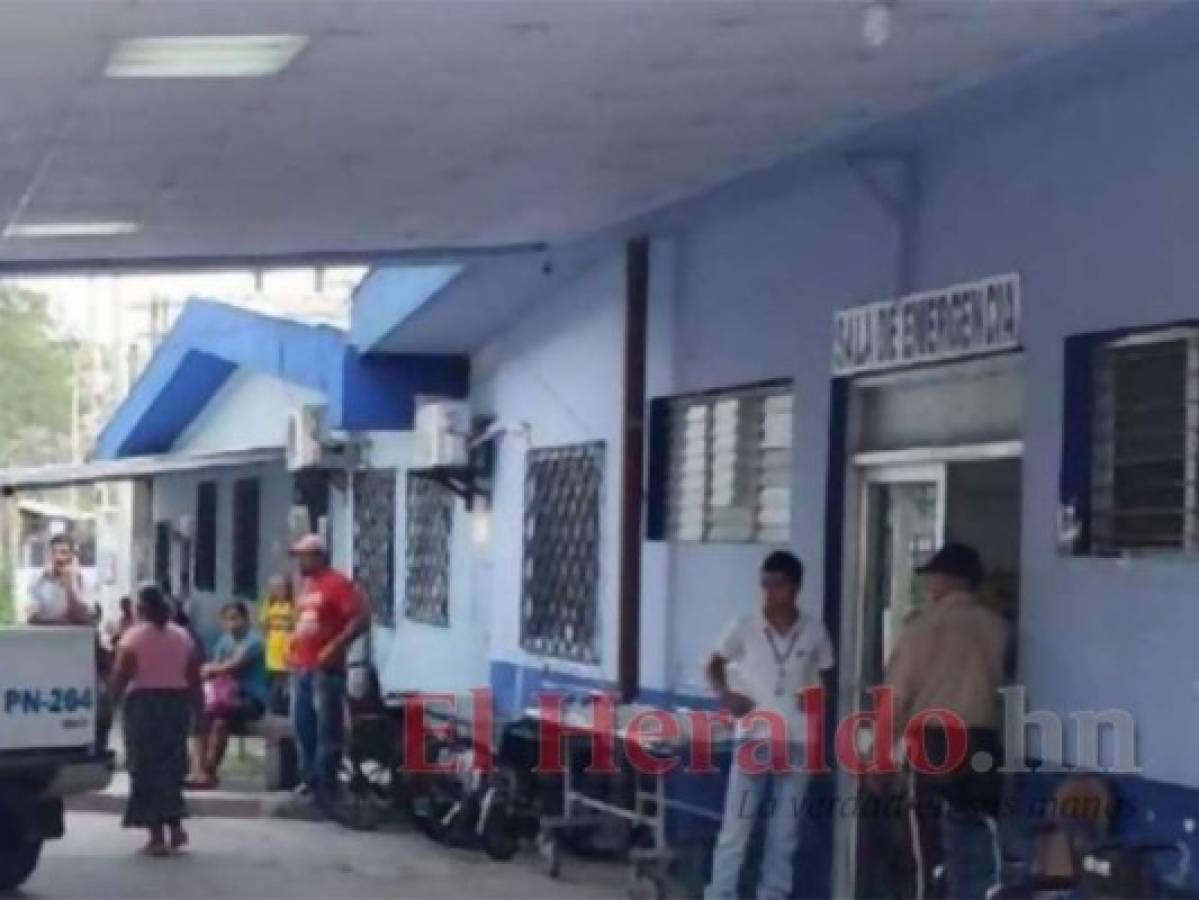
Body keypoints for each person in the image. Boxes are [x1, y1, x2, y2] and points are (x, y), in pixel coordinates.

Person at [873, 542, 1009, 900]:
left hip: (934, 746)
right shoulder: (997, 626)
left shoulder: (923, 628)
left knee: (927, 852)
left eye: (932, 576)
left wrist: (880, 756)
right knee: (981, 851)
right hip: (982, 746)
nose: (929, 584)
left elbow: (895, 696)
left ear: (947, 580)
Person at [704, 551, 835, 900]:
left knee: (785, 833)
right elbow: (714, 665)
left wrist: (818, 700)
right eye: (764, 584)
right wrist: (726, 696)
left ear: (794, 587)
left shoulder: (814, 630)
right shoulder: (744, 626)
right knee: (736, 829)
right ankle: (720, 894)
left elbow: (828, 674)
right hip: (753, 738)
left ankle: (773, 895)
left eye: (776, 584)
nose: (769, 592)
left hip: (797, 741)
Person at [110, 583, 201, 857]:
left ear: (140, 609)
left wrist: (108, 708)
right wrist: (200, 710)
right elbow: (193, 677)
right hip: (176, 704)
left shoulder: (133, 638)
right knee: (172, 766)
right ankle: (176, 827)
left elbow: (120, 678)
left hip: (143, 706)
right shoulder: (183, 636)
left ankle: (156, 836)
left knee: (145, 768)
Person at [289, 534, 368, 802]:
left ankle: (326, 783)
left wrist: (336, 646)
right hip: (302, 664)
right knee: (303, 725)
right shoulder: (308, 585)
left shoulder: (337, 584)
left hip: (326, 668)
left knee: (327, 728)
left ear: (320, 556)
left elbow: (360, 619)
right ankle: (309, 779)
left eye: (305, 555)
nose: (300, 561)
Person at [187, 601, 269, 790]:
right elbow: (216, 665)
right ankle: (198, 769)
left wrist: (211, 668)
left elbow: (232, 665)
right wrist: (211, 669)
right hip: (223, 696)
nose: (232, 623)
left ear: (245, 619)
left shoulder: (254, 641)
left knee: (221, 721)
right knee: (200, 719)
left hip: (250, 698)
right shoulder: (224, 641)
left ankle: (208, 771)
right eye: (227, 619)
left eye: (235, 618)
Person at [24, 533, 91, 625]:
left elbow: (84, 616)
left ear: (72, 556)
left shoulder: (82, 580)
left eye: (64, 552)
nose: (58, 557)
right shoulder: (39, 580)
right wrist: (45, 579)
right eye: (54, 552)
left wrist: (72, 583)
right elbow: (33, 613)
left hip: (74, 635)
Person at [259, 574, 296, 715]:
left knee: (284, 679)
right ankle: (272, 707)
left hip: (287, 645)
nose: (278, 591)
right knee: (272, 678)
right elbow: (264, 624)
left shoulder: (292, 606)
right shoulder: (269, 605)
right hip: (273, 645)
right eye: (274, 588)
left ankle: (283, 707)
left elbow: (295, 624)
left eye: (281, 587)